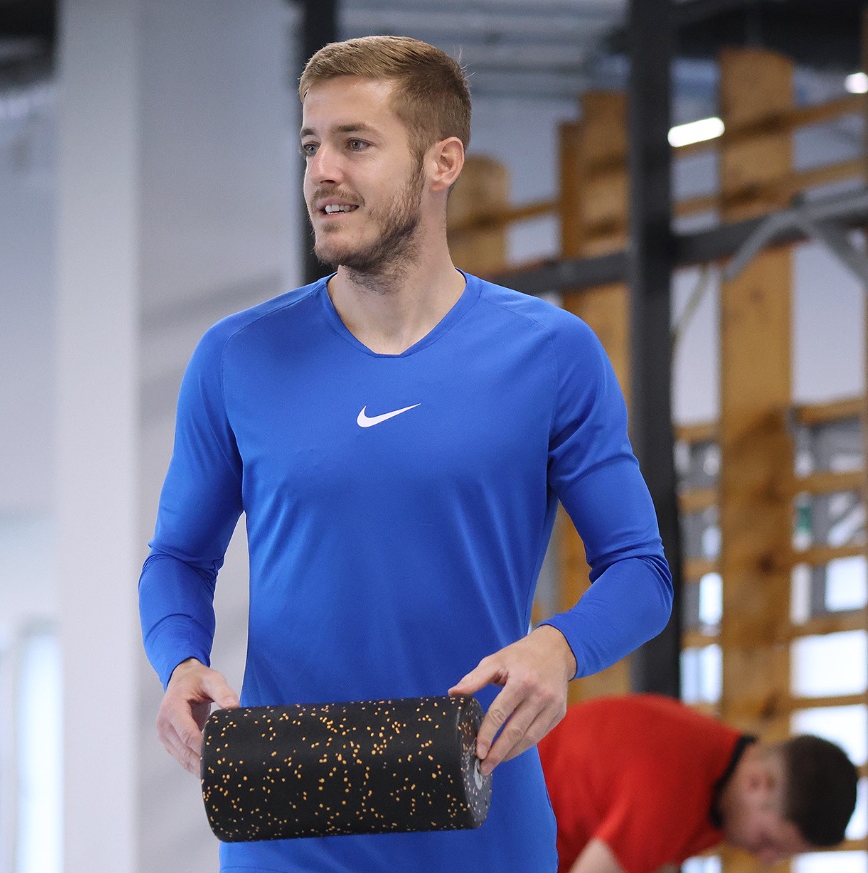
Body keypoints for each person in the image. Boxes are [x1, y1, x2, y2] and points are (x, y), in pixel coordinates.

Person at [138, 35, 673, 872]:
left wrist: (559, 647)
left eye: (355, 143)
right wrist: (181, 662)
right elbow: (177, 556)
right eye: (311, 146)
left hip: (482, 824)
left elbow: (641, 571)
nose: (322, 172)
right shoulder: (237, 357)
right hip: (289, 828)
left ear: (442, 162)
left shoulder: (552, 354)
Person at [538, 694, 860, 873]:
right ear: (757, 783)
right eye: (768, 841)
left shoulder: (723, 785)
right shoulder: (674, 790)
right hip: (512, 818)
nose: (764, 857)